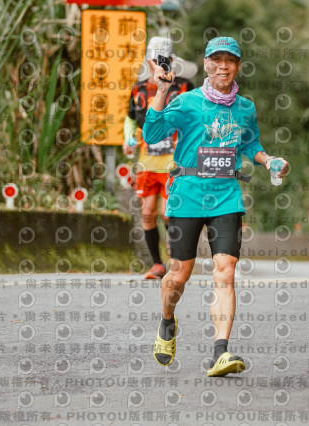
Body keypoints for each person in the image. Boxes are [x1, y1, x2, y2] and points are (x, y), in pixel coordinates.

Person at [142, 36, 288, 377]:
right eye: (217, 60)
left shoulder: (245, 108)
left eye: (230, 60)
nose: (223, 66)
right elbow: (152, 134)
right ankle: (167, 320)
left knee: (226, 271)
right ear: (207, 64)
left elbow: (251, 143)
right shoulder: (187, 102)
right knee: (178, 276)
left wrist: (269, 161)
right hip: (187, 196)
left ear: (237, 66)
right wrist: (161, 91)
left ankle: (220, 352)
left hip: (226, 197)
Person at [123, 37, 194, 280]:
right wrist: (128, 138)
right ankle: (157, 264)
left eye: (163, 60)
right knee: (148, 212)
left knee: (168, 211)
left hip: (174, 161)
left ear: (172, 60)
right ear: (148, 61)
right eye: (154, 60)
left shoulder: (184, 87)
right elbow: (130, 119)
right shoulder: (139, 89)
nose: (159, 64)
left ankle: (176, 257)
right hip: (147, 162)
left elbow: (196, 118)